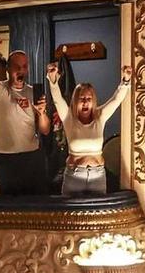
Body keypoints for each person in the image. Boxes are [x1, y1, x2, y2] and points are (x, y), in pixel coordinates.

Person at [0, 35, 50, 196]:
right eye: (16, 66)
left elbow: (45, 130)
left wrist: (42, 114)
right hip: (6, 160)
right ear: (8, 69)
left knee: (35, 206)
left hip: (32, 158)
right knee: (11, 207)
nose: (20, 70)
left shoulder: (34, 92)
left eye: (24, 66)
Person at [45, 61, 131, 197]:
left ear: (93, 101)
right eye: (81, 98)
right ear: (76, 101)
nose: (85, 102)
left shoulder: (100, 117)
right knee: (71, 217)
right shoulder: (69, 118)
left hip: (97, 176)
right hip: (74, 177)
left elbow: (116, 100)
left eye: (88, 98)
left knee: (97, 217)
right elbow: (57, 99)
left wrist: (126, 81)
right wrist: (53, 79)